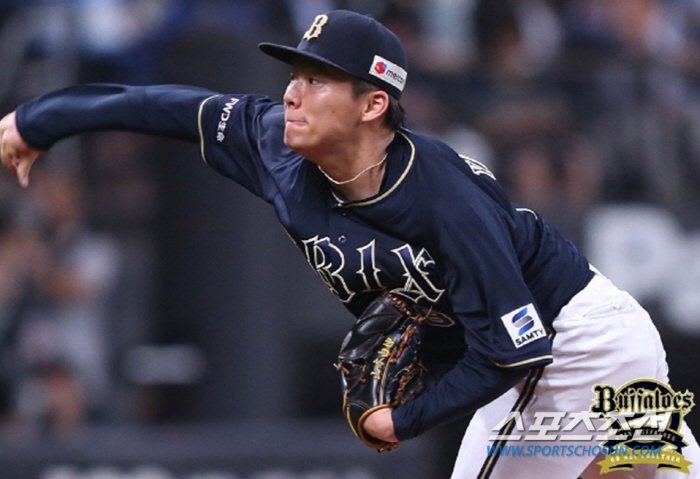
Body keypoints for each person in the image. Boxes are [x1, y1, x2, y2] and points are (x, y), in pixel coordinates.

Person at [0, 9, 698, 479]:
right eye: (294, 74)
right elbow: (159, 106)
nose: (292, 93)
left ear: (373, 104)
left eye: (318, 79)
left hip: (573, 342)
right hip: (561, 346)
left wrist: (403, 419)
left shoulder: (442, 196)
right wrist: (41, 119)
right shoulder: (271, 141)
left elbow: (516, 349)